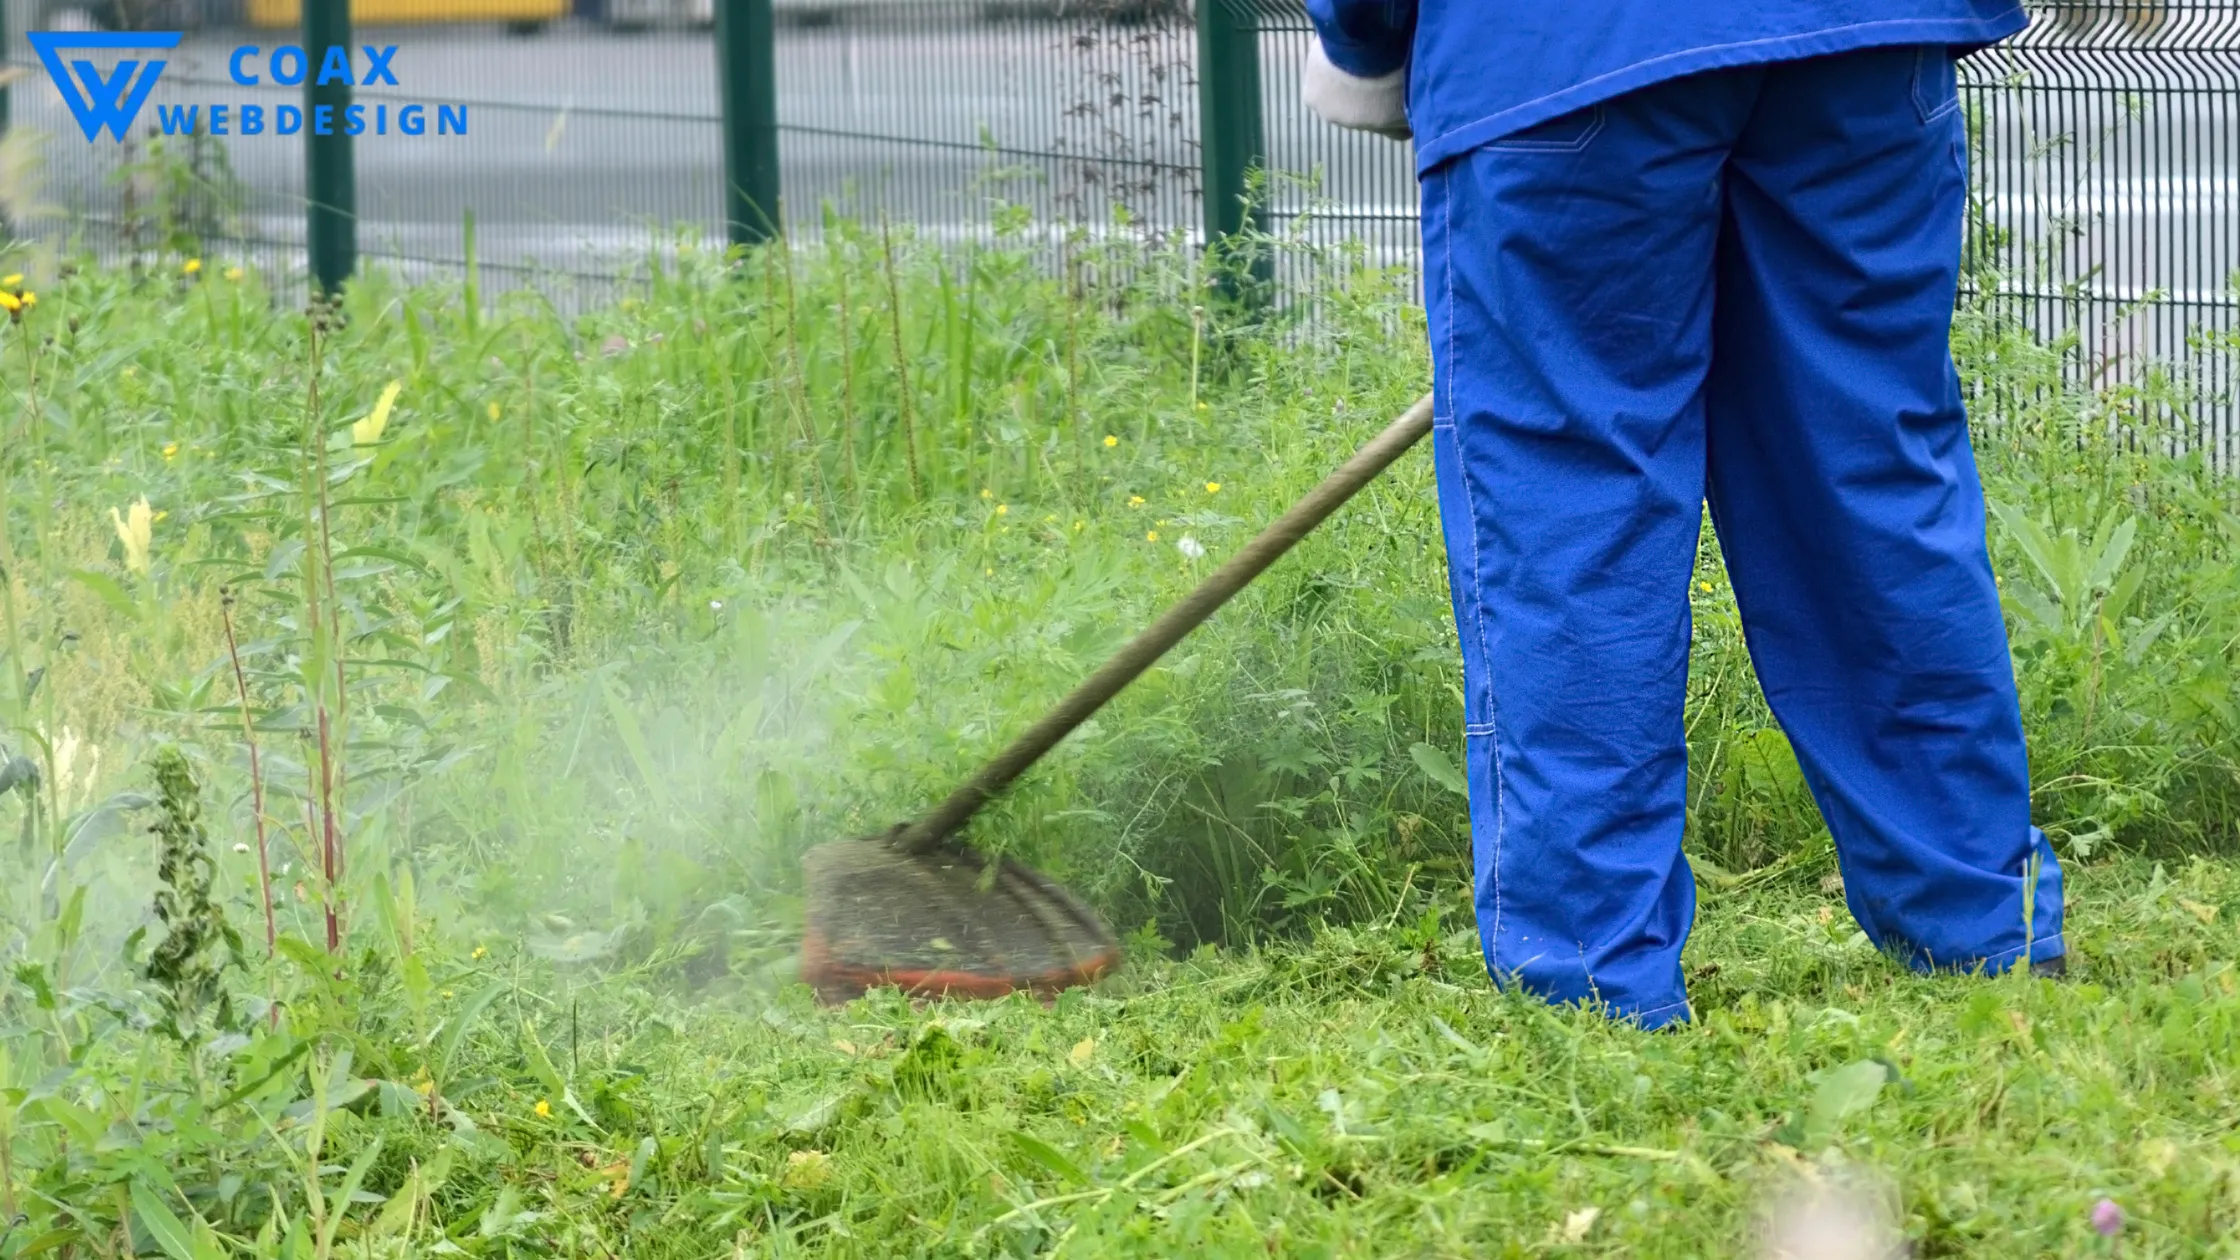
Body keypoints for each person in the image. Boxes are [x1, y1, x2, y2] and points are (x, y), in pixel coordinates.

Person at [1301, 1, 2068, 1029]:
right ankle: (1986, 933)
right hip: (1858, 37)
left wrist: (1363, 44)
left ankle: (1592, 984)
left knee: (1575, 515)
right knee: (1868, 480)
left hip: (1556, 52)